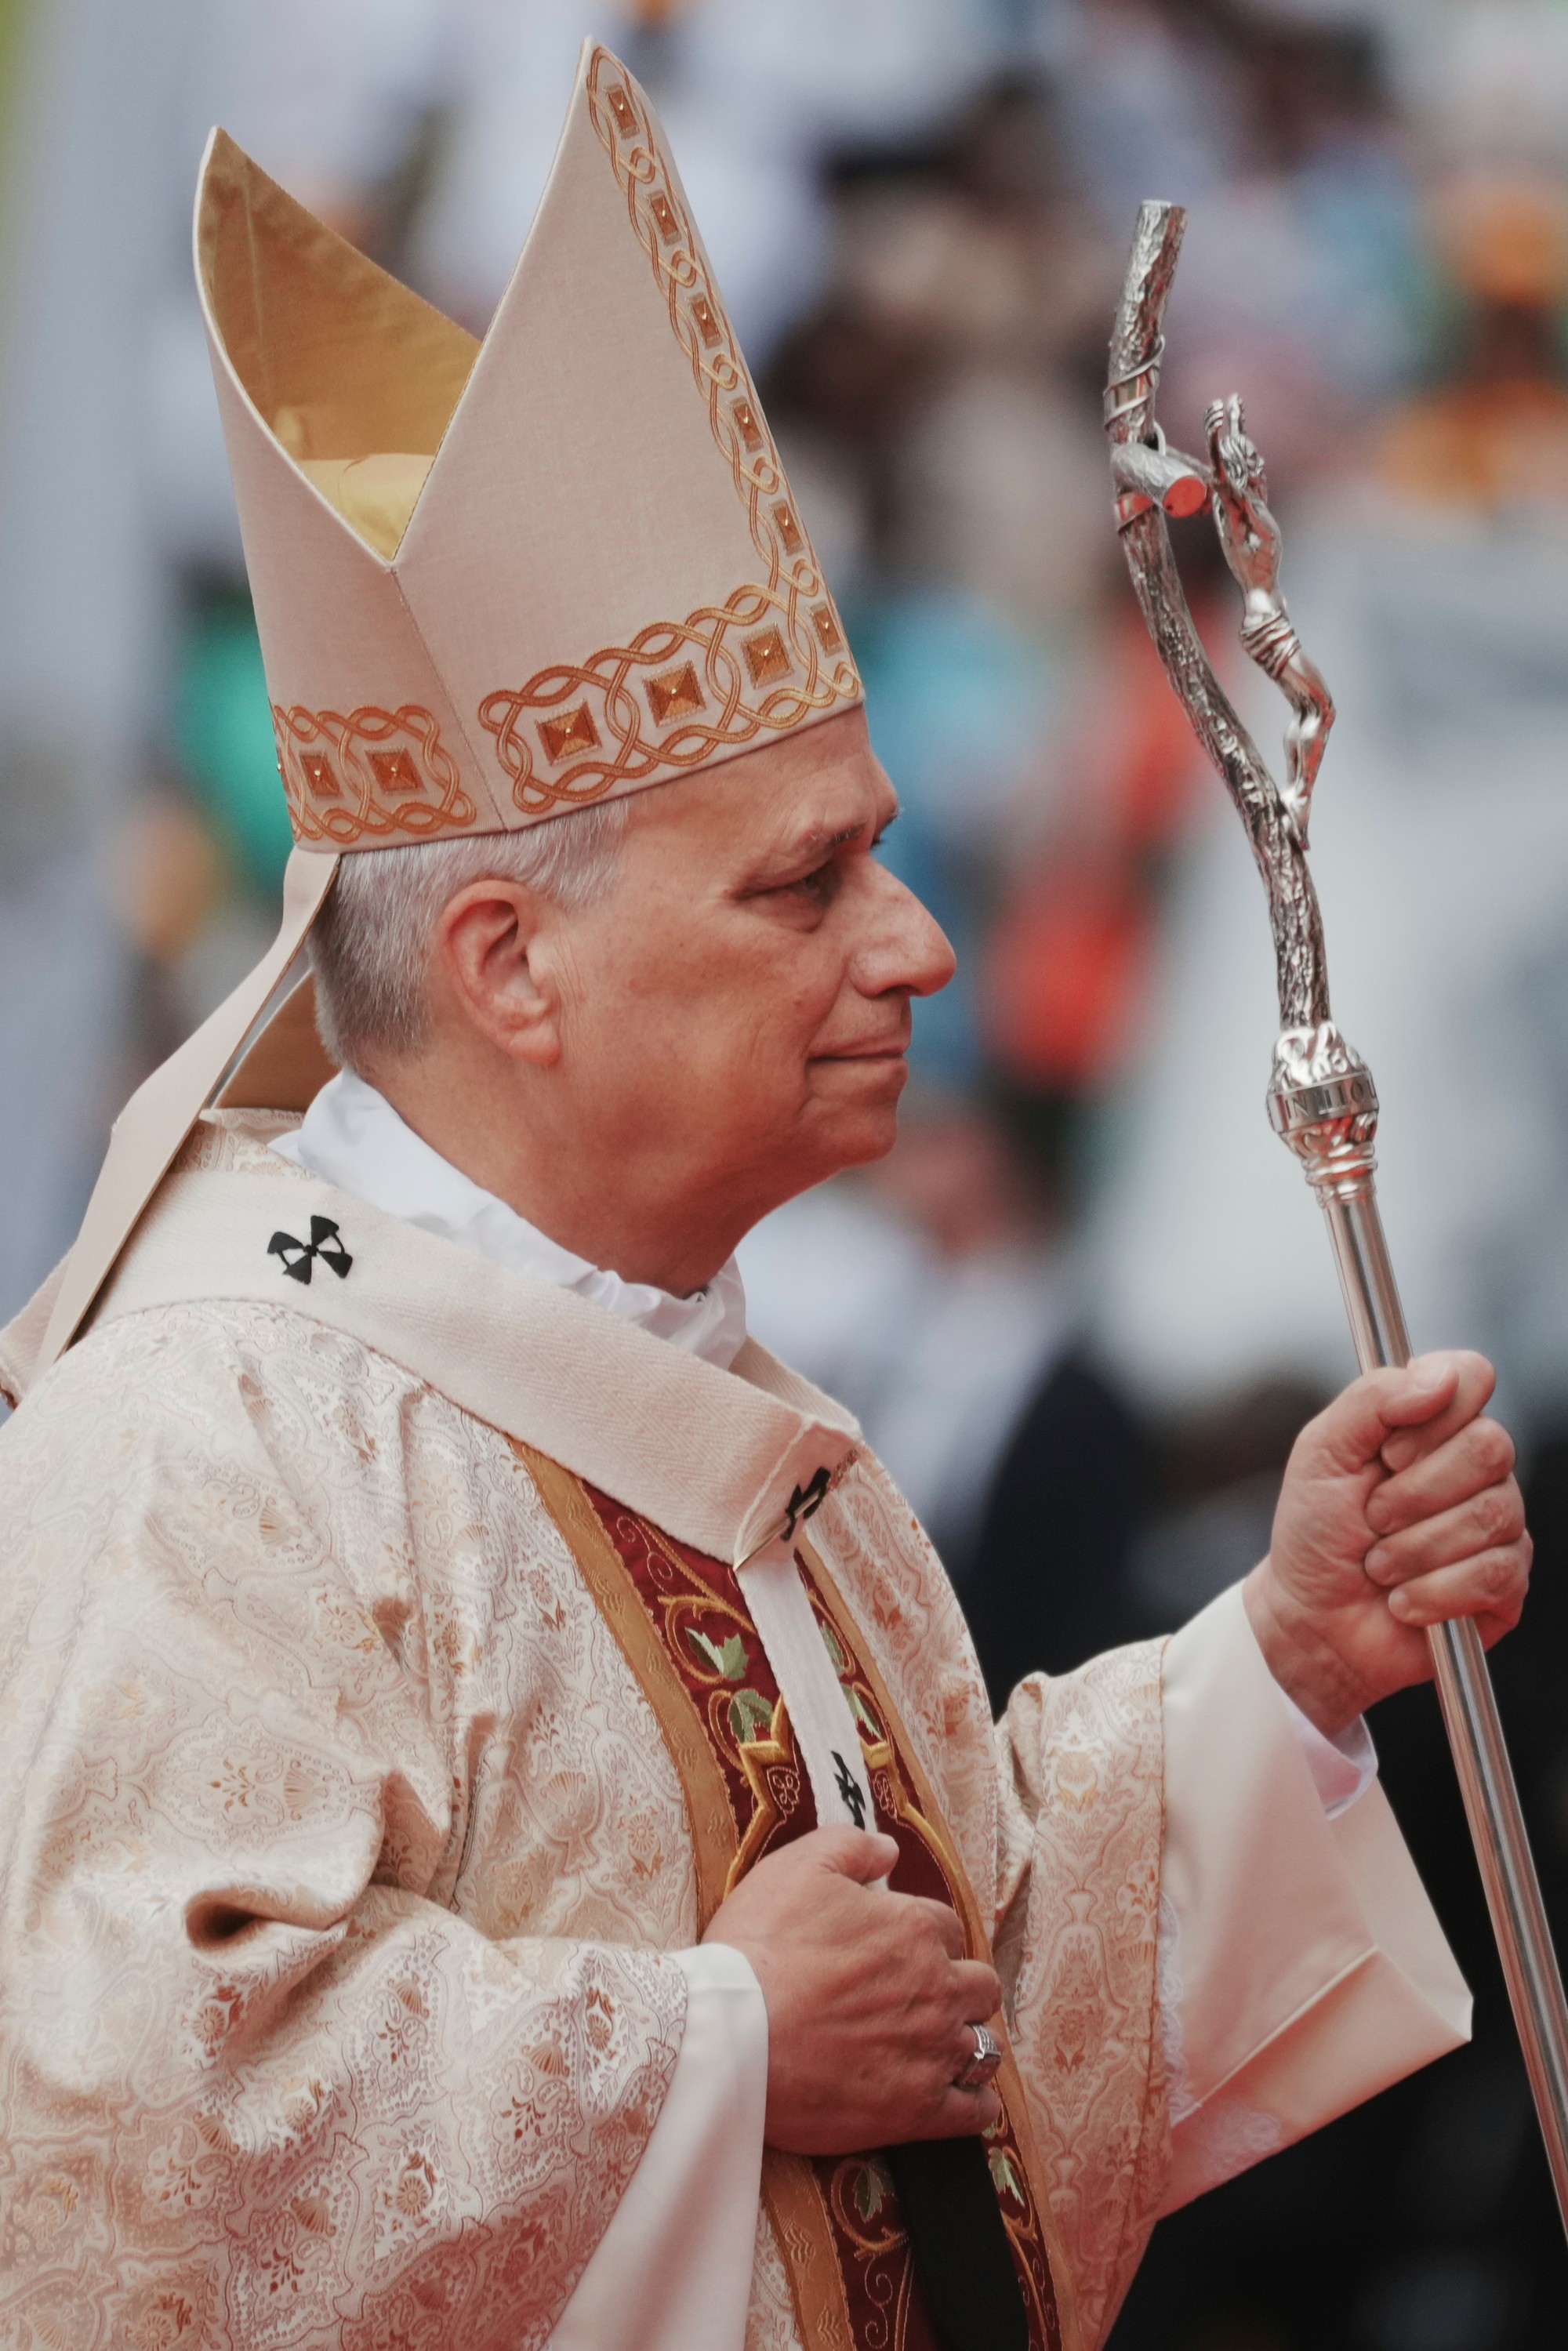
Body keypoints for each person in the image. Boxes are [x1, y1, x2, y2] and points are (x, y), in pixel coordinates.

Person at [0, 45, 1530, 2351]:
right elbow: (125, 2158)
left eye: (885, 856)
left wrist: (1289, 1660)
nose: (920, 949)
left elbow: (968, 2018)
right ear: (511, 966)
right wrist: (711, 2045)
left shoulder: (700, 1384)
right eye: (805, 886)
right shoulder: (209, 1439)